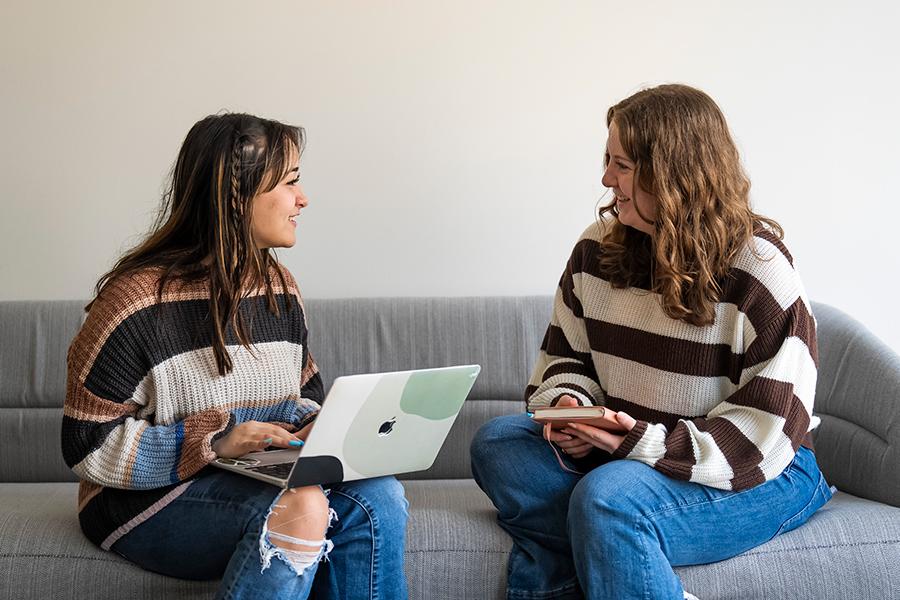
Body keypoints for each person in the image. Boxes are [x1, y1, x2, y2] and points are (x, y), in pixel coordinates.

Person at [470, 84, 833, 600]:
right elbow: (566, 357)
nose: (604, 179)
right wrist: (571, 408)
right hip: (635, 454)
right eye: (607, 159)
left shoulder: (760, 270)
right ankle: (614, 556)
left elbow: (767, 431)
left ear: (671, 173)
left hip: (761, 470)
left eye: (620, 164)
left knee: (608, 498)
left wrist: (637, 444)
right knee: (499, 443)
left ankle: (602, 543)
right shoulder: (594, 250)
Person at [61, 113, 408, 600]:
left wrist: (314, 427)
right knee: (304, 507)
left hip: (256, 473)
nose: (303, 199)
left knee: (380, 497)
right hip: (141, 498)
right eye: (290, 183)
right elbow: (86, 445)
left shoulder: (279, 287)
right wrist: (216, 441)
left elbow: (302, 394)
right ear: (235, 195)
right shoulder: (134, 302)